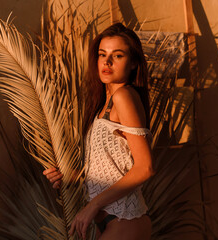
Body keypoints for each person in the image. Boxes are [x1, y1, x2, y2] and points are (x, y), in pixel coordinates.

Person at [43, 23, 154, 240]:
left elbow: (145, 168)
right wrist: (69, 176)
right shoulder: (104, 105)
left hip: (125, 220)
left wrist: (93, 206)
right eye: (103, 54)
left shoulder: (124, 97)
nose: (107, 61)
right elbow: (111, 170)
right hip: (110, 222)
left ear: (133, 63)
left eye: (118, 55)